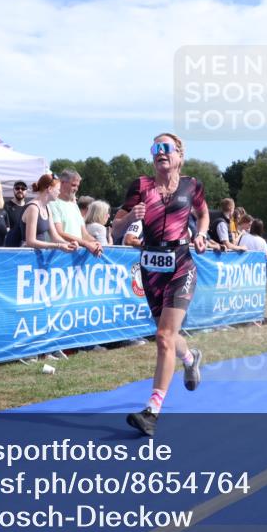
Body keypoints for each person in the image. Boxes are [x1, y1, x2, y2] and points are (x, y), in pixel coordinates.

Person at [111, 133, 208, 437]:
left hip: (181, 263)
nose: (161, 153)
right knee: (165, 335)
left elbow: (203, 212)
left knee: (164, 337)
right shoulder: (140, 187)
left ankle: (152, 411)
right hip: (151, 267)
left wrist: (201, 234)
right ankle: (190, 359)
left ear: (180, 156)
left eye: (167, 148)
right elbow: (115, 226)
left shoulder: (192, 185)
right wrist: (130, 219)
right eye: (156, 148)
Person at [50, 169, 103, 256]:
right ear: (62, 183)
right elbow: (59, 233)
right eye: (73, 185)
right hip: (58, 257)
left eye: (77, 186)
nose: (76, 189)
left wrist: (95, 242)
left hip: (74, 257)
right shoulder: (52, 203)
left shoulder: (74, 205)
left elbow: (84, 233)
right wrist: (86, 244)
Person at [22, 173, 79, 252]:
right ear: (49, 189)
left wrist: (68, 244)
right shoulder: (33, 208)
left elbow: (54, 236)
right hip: (24, 258)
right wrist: (59, 246)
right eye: (58, 189)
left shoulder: (48, 208)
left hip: (36, 257)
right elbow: (30, 241)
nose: (59, 192)